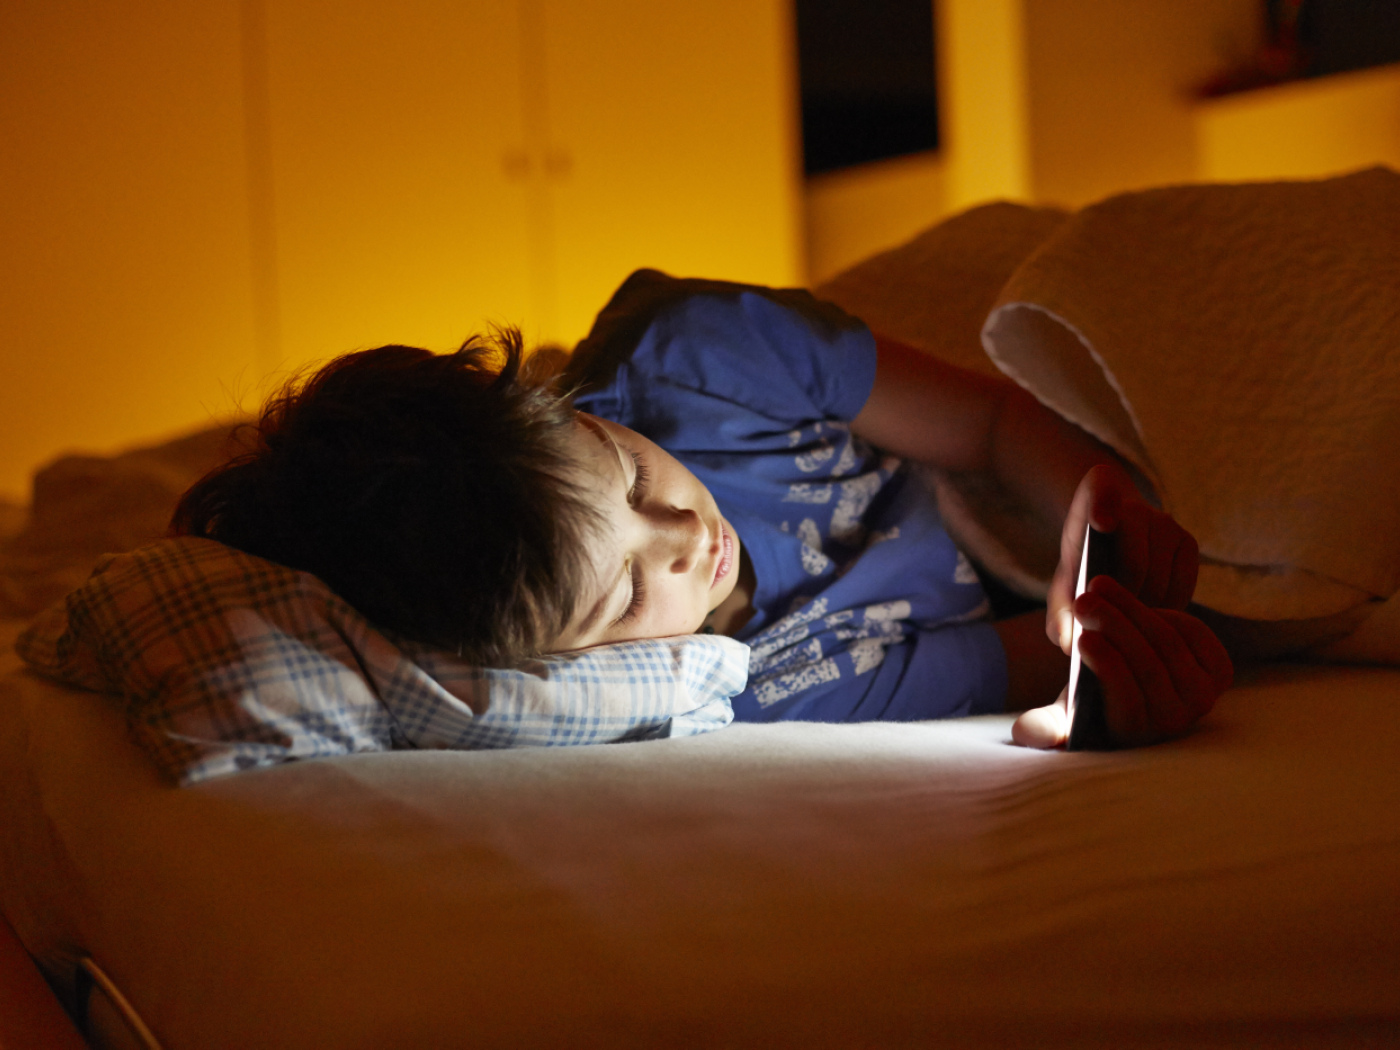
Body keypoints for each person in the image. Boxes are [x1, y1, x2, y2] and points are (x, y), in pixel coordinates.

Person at [173, 270, 1232, 749]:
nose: (685, 535)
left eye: (633, 479)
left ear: (562, 408)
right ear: (564, 666)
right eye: (627, 591)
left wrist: (1096, 500)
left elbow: (996, 421)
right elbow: (1023, 659)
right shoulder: (758, 694)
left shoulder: (697, 353)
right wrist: (1100, 664)